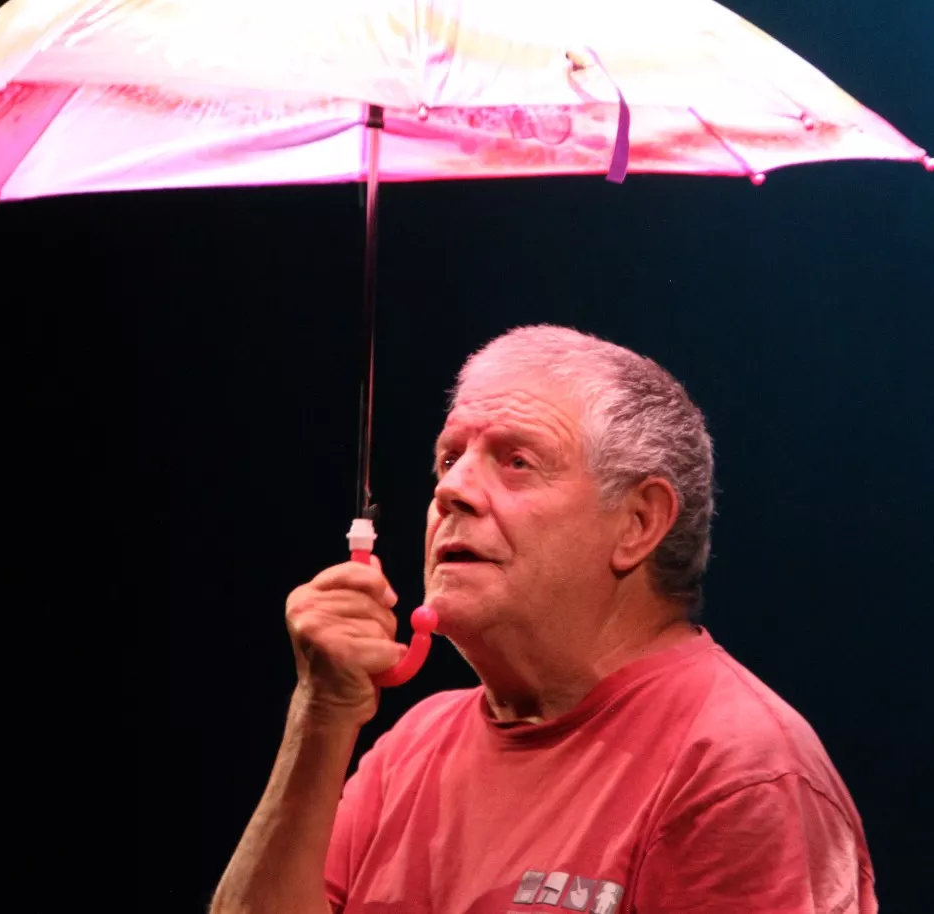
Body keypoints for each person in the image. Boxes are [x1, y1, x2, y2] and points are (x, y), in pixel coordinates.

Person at [211, 325, 879, 914]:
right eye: (449, 458)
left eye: (516, 461)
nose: (451, 490)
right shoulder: (410, 749)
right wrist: (321, 713)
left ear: (639, 522)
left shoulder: (738, 773)